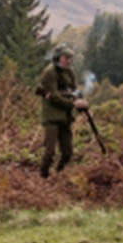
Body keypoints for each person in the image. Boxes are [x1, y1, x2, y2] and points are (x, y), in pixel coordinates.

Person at [37, 44, 88, 177]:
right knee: (50, 152)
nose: (69, 60)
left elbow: (75, 91)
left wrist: (82, 106)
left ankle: (58, 174)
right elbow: (54, 97)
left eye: (70, 58)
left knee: (68, 153)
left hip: (65, 117)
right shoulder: (50, 72)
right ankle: (43, 177)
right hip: (52, 116)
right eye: (66, 57)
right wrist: (73, 104)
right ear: (58, 58)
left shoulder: (69, 72)